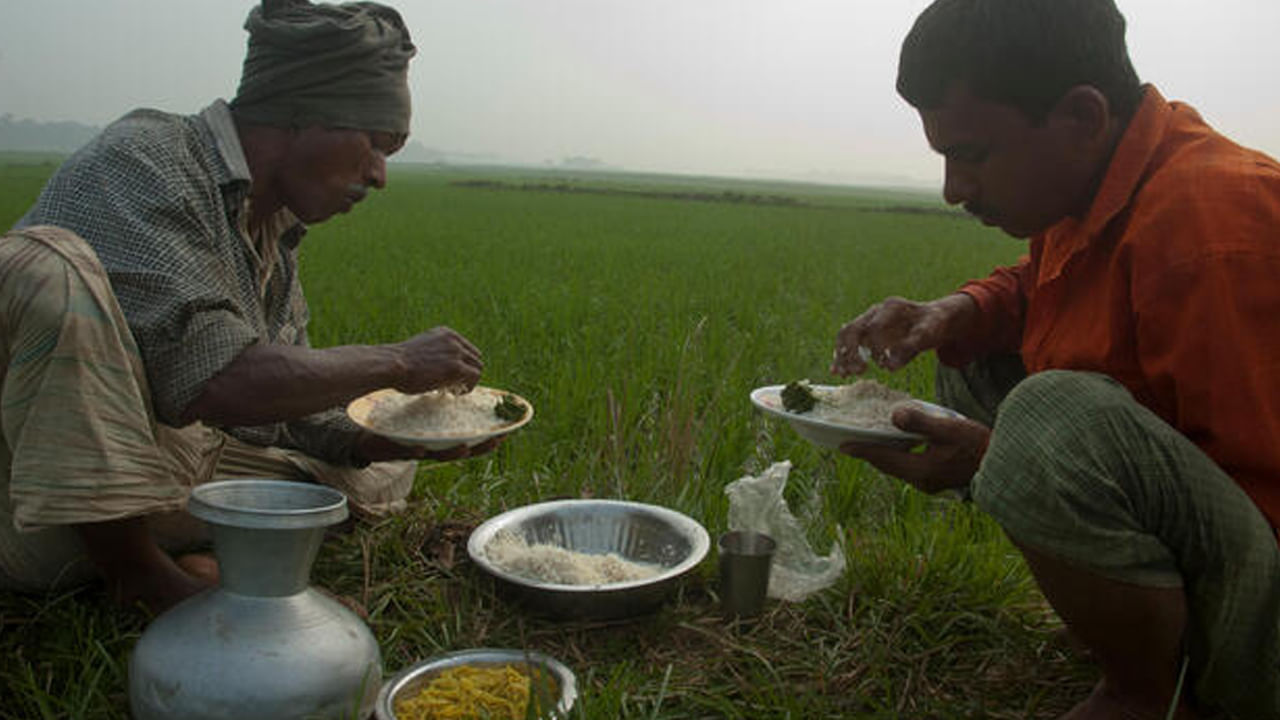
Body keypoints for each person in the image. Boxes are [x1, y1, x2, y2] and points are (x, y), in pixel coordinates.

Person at [828, 1, 1280, 718]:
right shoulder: (1101, 183)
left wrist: (997, 461)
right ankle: (1136, 640)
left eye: (971, 155)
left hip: (1268, 618)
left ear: (1080, 117)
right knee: (969, 355)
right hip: (1215, 541)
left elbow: (1263, 507)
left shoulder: (1213, 225)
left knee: (1050, 414)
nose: (954, 191)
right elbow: (1042, 286)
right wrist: (953, 312)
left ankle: (1153, 693)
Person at [2, 0, 494, 614]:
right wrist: (397, 361)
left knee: (379, 469)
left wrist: (398, 438)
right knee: (46, 268)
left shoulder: (271, 231)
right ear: (299, 114)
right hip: (33, 495)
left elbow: (280, 410)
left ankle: (200, 541)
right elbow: (219, 381)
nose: (380, 175)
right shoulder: (142, 161)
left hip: (169, 463)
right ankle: (146, 582)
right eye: (375, 142)